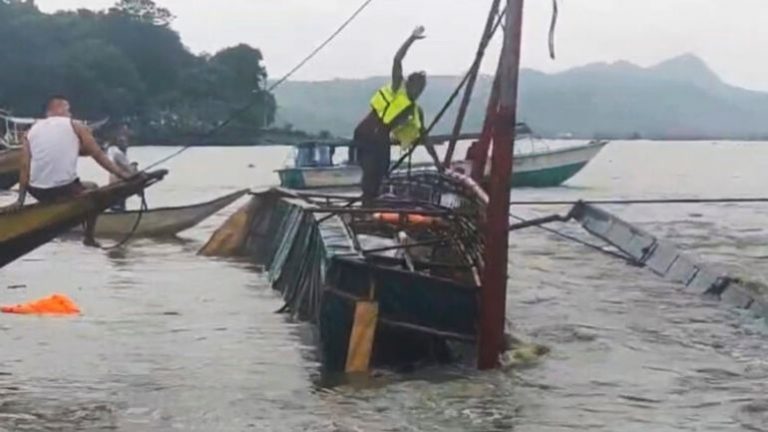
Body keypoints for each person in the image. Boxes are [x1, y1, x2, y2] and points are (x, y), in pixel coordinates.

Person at [16, 96, 133, 247]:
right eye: (68, 109)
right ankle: (89, 237)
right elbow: (97, 154)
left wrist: (20, 200)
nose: (70, 113)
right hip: (64, 188)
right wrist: (122, 175)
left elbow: (24, 167)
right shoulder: (75, 125)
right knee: (93, 189)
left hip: (37, 191)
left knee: (79, 187)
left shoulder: (30, 131)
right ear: (56, 109)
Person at [353, 26, 441, 205]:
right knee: (370, 173)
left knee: (382, 172)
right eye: (417, 86)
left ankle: (371, 206)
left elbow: (425, 136)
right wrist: (412, 38)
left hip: (381, 138)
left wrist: (438, 163)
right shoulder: (397, 87)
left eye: (422, 89)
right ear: (409, 84)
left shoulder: (415, 111)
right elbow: (397, 59)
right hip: (367, 133)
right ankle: (365, 207)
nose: (419, 91)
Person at [106, 124, 138, 211]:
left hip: (113, 183)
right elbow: (129, 168)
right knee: (119, 205)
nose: (125, 144)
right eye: (123, 142)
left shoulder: (111, 150)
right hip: (119, 184)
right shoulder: (118, 153)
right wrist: (134, 167)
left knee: (115, 205)